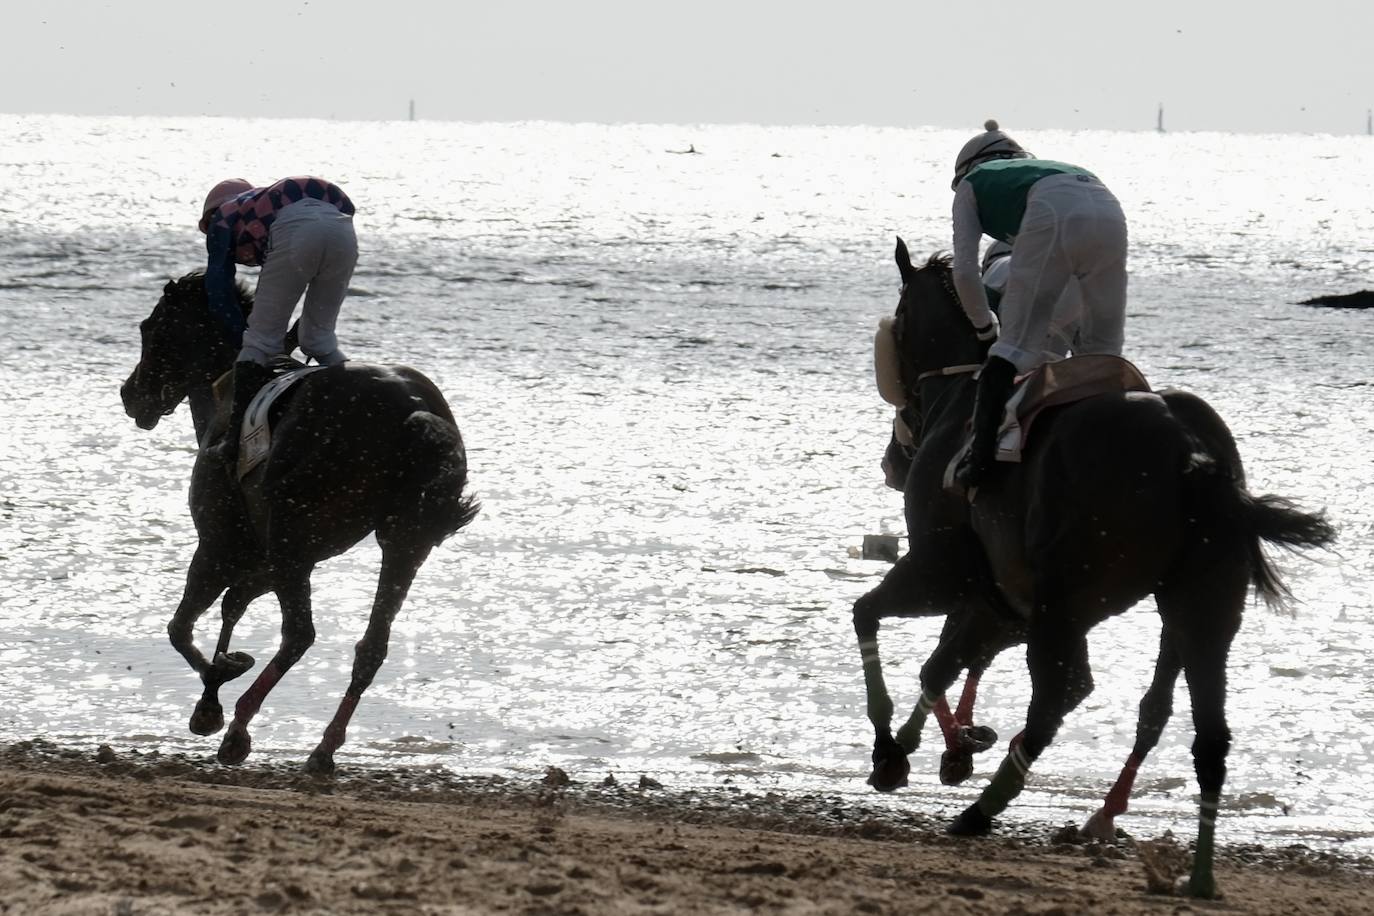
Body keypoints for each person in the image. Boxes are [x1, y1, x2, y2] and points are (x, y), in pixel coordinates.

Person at [949, 120, 1127, 487]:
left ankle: (980, 465)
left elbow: (965, 272)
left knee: (1012, 348)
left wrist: (985, 329)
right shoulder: (1044, 170)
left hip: (1054, 211)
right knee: (1104, 356)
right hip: (1109, 207)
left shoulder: (971, 184)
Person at [197, 176, 359, 467]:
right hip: (343, 229)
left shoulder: (223, 216)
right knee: (319, 340)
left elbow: (218, 285)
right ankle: (358, 405)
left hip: (298, 231)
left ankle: (233, 444)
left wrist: (241, 337)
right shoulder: (263, 207)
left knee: (259, 344)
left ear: (211, 214)